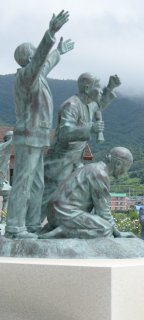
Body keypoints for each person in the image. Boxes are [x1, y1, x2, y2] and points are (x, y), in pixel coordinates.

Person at [6, 10, 73, 239]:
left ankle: (32, 224)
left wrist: (58, 53)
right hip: (28, 136)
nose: (39, 57)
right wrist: (50, 33)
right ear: (28, 58)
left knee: (36, 185)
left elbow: (45, 65)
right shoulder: (25, 76)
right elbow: (38, 63)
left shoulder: (37, 76)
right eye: (35, 53)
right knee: (24, 182)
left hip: (38, 137)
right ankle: (15, 226)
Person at [42, 72, 121, 220]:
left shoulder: (89, 104)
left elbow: (100, 103)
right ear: (86, 88)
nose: (99, 90)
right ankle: (32, 227)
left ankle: (78, 224)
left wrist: (110, 88)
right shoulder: (71, 105)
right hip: (60, 161)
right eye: (97, 87)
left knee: (79, 192)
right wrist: (90, 128)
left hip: (75, 161)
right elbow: (65, 132)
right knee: (49, 195)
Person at [40, 147, 136, 239]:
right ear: (118, 164)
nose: (125, 173)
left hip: (55, 213)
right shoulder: (99, 174)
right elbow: (102, 210)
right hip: (66, 214)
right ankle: (63, 232)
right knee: (106, 229)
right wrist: (117, 233)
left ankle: (60, 229)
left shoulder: (92, 168)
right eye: (126, 168)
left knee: (104, 227)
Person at [0, 131, 13, 224]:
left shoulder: (6, 152)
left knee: (8, 193)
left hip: (1, 181)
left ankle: (4, 219)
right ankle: (3, 220)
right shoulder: (3, 147)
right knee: (8, 194)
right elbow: (11, 142)